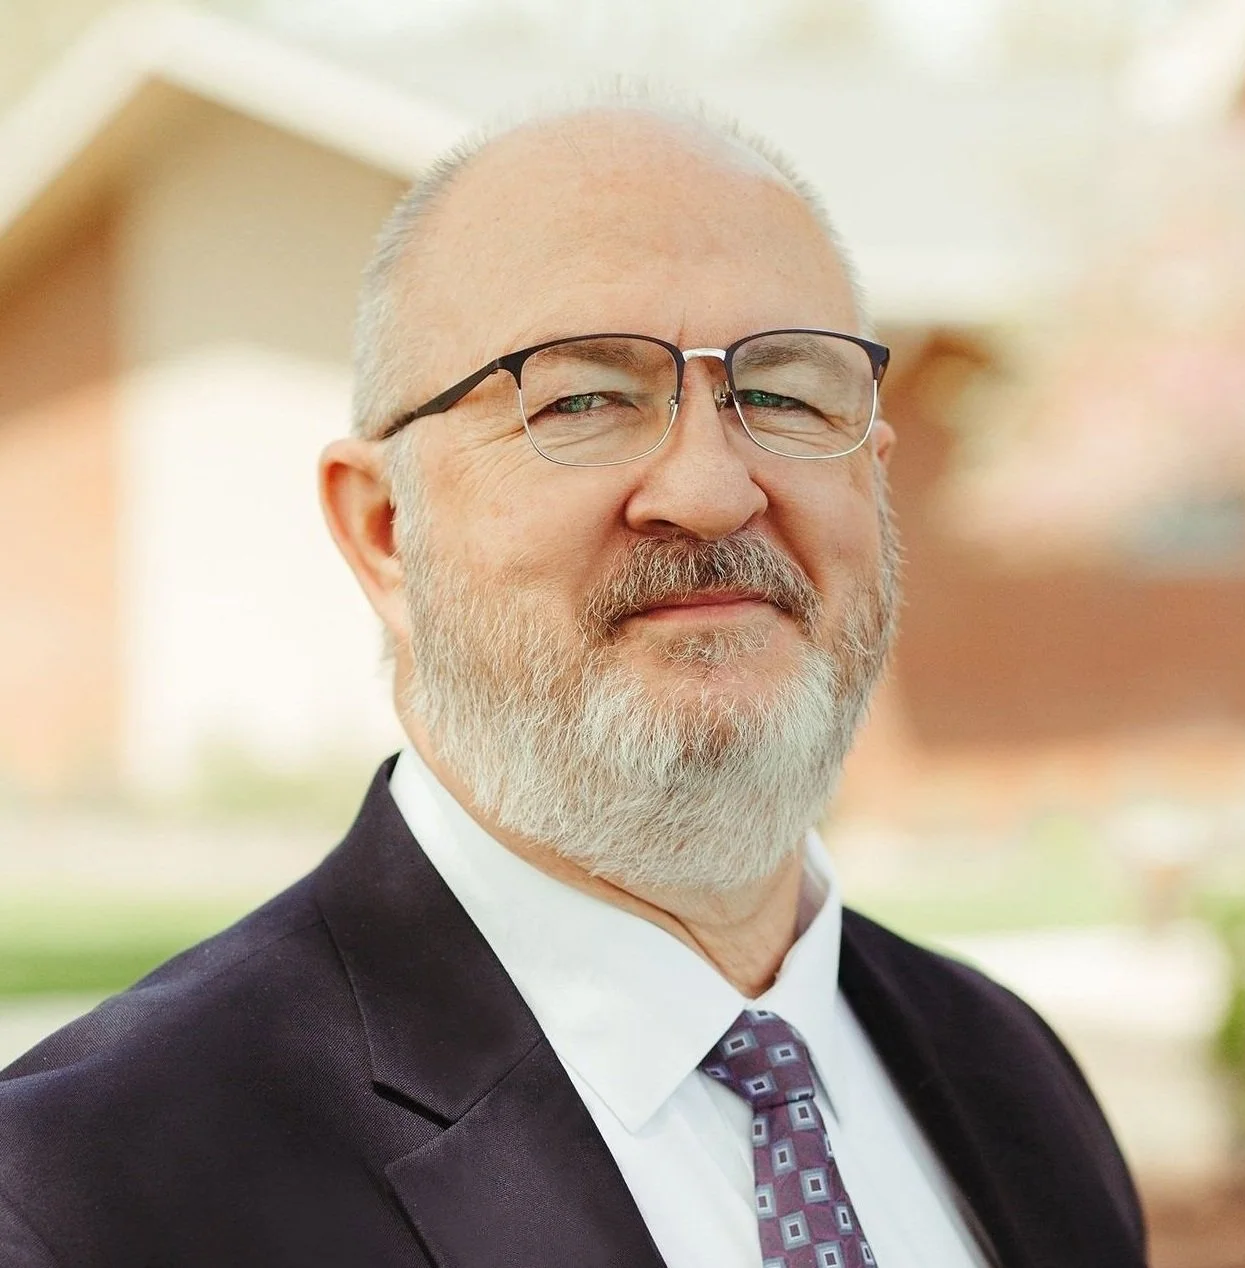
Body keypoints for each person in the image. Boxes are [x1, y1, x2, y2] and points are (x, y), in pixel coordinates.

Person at [0, 98, 1146, 1268]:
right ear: (386, 531)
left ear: (875, 484)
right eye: (583, 397)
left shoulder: (1013, 1079)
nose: (709, 489)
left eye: (785, 394)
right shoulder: (83, 1193)